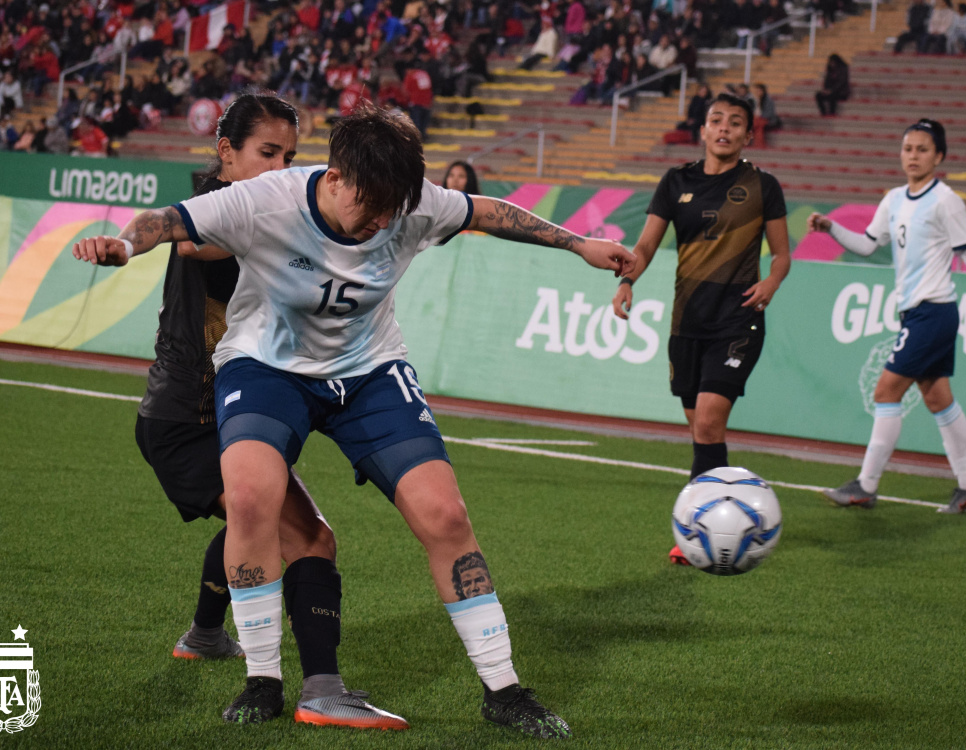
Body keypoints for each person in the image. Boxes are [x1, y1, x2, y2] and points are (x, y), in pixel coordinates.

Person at [73, 102, 635, 738]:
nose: (381, 223)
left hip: (369, 372)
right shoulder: (266, 198)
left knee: (446, 515)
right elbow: (168, 220)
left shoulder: (409, 200)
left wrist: (578, 242)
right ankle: (262, 680)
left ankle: (504, 690)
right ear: (335, 176)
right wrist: (124, 243)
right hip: (265, 367)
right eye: (371, 206)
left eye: (394, 209)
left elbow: (484, 211)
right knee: (253, 498)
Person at [128, 92, 410, 729]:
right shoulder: (214, 219)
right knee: (307, 537)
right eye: (266, 153)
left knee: (251, 516)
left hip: (216, 410)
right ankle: (316, 689)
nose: (281, 166)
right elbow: (195, 244)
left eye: (289, 154)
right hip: (192, 420)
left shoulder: (271, 211)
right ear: (226, 153)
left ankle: (204, 633)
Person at [611, 93, 791, 562]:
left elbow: (783, 254)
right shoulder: (675, 182)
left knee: (709, 422)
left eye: (735, 122)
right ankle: (719, 522)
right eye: (716, 120)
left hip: (738, 320)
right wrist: (628, 278)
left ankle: (702, 533)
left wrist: (771, 281)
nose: (725, 128)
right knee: (700, 432)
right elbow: (647, 244)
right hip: (687, 321)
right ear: (703, 130)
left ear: (749, 134)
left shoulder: (762, 185)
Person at [808, 119, 966, 514]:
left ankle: (865, 485)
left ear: (940, 157)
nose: (913, 155)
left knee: (885, 391)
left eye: (923, 149)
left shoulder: (945, 200)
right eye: (908, 148)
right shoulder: (893, 199)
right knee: (937, 398)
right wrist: (831, 227)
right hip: (916, 314)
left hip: (935, 312)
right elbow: (865, 245)